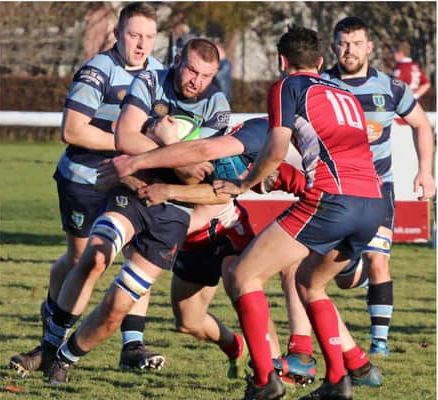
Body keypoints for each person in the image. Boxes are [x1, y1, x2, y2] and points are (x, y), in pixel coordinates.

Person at [212, 25, 387, 400]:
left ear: (281, 61)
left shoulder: (287, 86)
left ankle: (264, 382)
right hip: (373, 202)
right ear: (322, 62)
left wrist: (244, 183)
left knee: (244, 274)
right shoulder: (344, 92)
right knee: (309, 283)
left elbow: (276, 148)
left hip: (333, 199)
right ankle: (338, 381)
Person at [45, 38, 230, 385]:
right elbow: (124, 137)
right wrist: (174, 152)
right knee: (94, 257)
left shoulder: (218, 104)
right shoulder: (150, 80)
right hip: (133, 191)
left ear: (215, 75)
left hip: (174, 210)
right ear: (178, 60)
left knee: (117, 306)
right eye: (191, 69)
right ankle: (48, 346)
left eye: (205, 75)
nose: (195, 80)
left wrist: (167, 143)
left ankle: (66, 357)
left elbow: (197, 172)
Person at [9, 2, 167, 378]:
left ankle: (132, 345)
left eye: (149, 37)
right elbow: (73, 130)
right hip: (86, 178)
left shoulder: (161, 74)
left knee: (136, 252)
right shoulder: (98, 70)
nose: (141, 45)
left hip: (129, 179)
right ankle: (49, 337)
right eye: (134, 35)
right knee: (83, 263)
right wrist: (127, 145)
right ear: (118, 34)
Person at [98, 116, 308, 382]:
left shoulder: (212, 164)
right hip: (193, 244)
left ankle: (274, 367)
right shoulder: (153, 163)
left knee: (243, 286)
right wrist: (130, 182)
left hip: (227, 231)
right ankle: (236, 347)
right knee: (188, 322)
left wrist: (164, 192)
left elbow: (207, 203)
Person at [321, 17, 436, 356]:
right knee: (341, 274)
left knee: (378, 259)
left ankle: (379, 342)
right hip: (336, 190)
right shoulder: (322, 85)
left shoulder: (391, 87)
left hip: (378, 189)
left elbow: (421, 125)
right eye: (343, 43)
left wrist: (425, 171)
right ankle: (355, 273)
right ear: (333, 46)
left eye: (356, 43)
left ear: (369, 47)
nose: (349, 50)